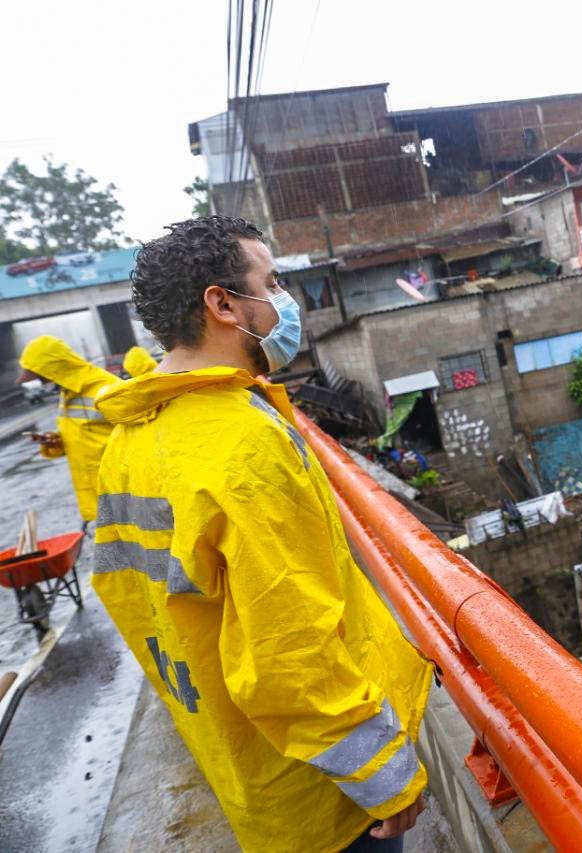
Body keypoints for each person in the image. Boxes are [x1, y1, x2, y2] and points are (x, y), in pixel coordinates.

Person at [92, 216, 433, 852]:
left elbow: (130, 597)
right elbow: (288, 651)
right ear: (222, 304)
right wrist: (382, 776)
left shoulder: (131, 438)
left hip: (248, 769)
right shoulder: (243, 447)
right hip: (327, 794)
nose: (285, 300)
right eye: (271, 283)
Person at [17, 336, 119, 527]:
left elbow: (141, 434)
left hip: (120, 489)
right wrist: (56, 441)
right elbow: (83, 434)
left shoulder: (105, 387)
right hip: (97, 493)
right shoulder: (67, 392)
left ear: (55, 369)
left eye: (42, 376)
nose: (43, 382)